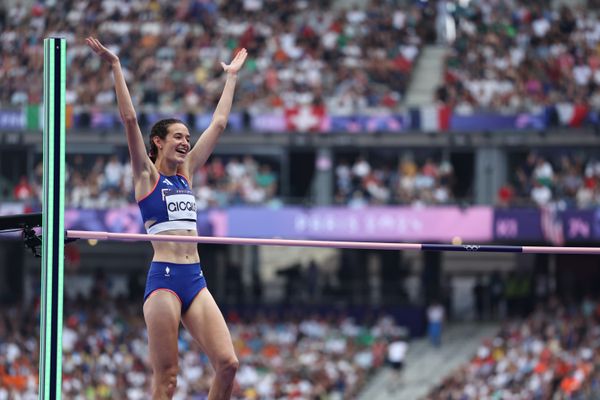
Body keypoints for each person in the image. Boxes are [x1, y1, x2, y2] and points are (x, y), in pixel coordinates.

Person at [86, 37, 247, 400]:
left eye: (187, 137)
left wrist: (232, 77)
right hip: (165, 280)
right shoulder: (146, 176)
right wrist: (115, 67)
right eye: (178, 136)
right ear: (157, 142)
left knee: (228, 364)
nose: (186, 142)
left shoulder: (187, 172)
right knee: (168, 380)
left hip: (196, 278)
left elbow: (219, 123)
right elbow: (129, 119)